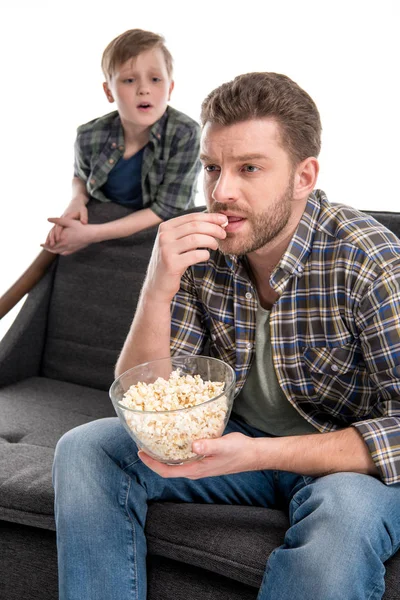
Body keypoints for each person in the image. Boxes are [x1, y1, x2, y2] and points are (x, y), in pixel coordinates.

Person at [53, 72, 400, 599]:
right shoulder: (201, 249)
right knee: (87, 448)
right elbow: (146, 402)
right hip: (233, 446)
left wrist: (256, 454)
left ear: (304, 176)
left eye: (249, 169)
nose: (221, 193)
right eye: (212, 168)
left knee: (345, 521)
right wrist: (156, 287)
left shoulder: (369, 263)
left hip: (345, 468)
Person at [41, 28, 201, 256]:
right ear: (109, 91)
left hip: (158, 233)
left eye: (155, 79)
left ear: (170, 88)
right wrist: (76, 200)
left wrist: (91, 235)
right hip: (105, 223)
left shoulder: (185, 134)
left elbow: (167, 209)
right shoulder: (89, 134)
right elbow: (81, 177)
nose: (144, 89)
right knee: (58, 248)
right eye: (129, 80)